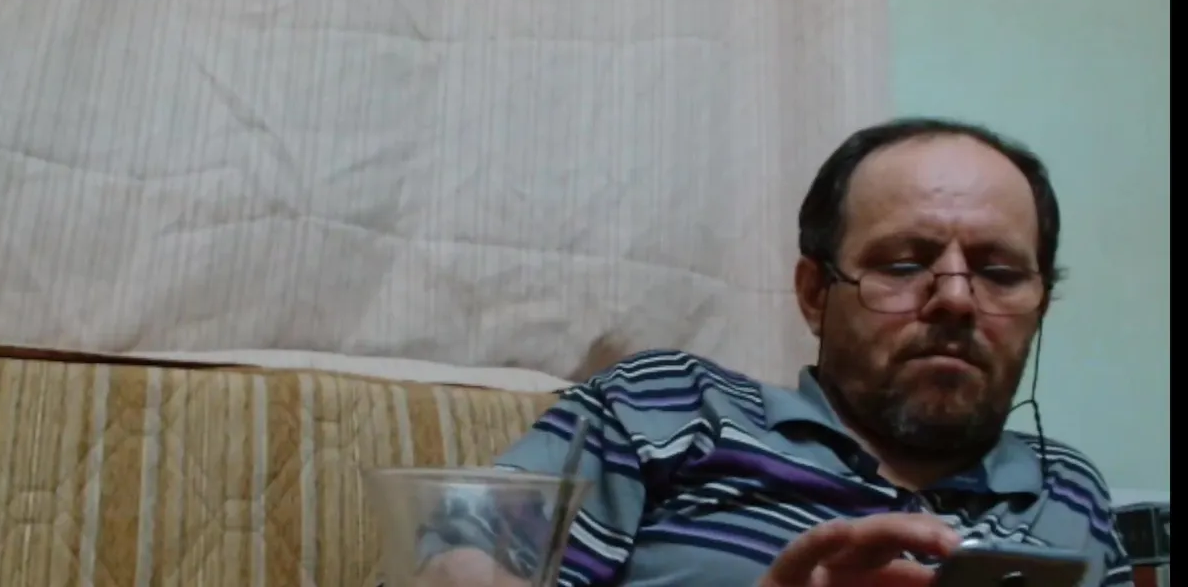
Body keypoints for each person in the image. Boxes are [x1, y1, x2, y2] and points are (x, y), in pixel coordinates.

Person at [413, 118, 1132, 587]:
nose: (955, 298)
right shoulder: (666, 407)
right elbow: (456, 553)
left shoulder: (1069, 493)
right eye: (904, 264)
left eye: (999, 273)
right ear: (816, 293)